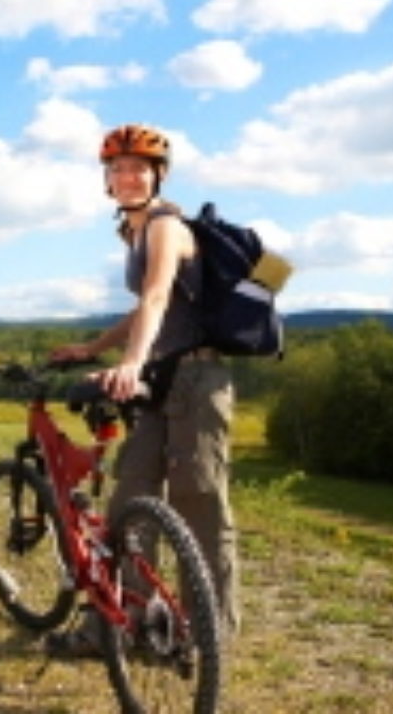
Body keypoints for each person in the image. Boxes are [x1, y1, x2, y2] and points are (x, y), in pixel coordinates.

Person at [47, 123, 240, 655]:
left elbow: (156, 298)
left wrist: (129, 363)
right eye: (118, 170)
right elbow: (145, 309)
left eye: (139, 169)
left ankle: (207, 636)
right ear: (107, 181)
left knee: (200, 503)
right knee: (131, 499)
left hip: (199, 380)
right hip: (161, 379)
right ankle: (121, 622)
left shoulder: (164, 227)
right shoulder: (132, 232)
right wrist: (94, 348)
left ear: (160, 176)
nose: (128, 177)